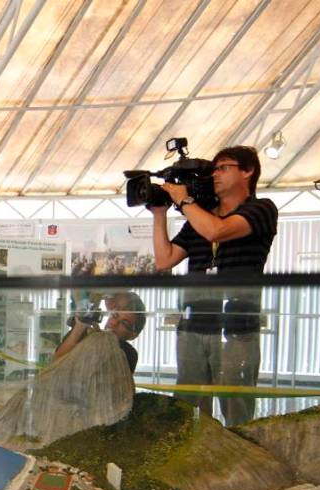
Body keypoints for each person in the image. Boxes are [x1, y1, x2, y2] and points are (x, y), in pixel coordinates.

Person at [151, 145, 277, 426]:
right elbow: (164, 259)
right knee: (187, 407)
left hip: (235, 328)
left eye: (223, 168)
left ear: (248, 171)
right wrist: (159, 214)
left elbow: (217, 230)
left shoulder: (261, 209)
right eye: (214, 169)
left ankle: (240, 460)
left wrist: (185, 202)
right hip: (194, 325)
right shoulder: (200, 215)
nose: (216, 175)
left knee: (236, 408)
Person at [54, 292, 146, 372]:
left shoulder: (128, 354)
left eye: (124, 323)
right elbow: (55, 363)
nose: (114, 323)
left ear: (133, 335)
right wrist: (80, 328)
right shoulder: (86, 334)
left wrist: (94, 340)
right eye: (114, 315)